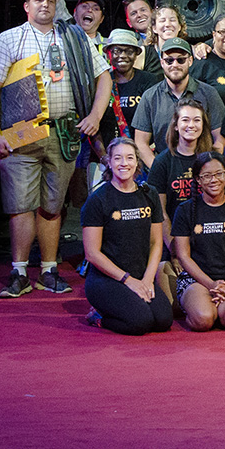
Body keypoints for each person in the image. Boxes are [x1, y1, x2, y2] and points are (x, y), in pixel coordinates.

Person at [0, 0, 112, 299]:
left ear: (56, 7)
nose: (45, 4)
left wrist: (95, 116)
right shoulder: (9, 39)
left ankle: (48, 270)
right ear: (27, 7)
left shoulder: (75, 38)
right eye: (38, 0)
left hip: (63, 131)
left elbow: (104, 77)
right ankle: (18, 271)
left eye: (50, 1)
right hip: (21, 134)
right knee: (20, 204)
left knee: (53, 205)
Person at [80, 137, 172, 334]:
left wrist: (147, 280)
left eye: (129, 158)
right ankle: (99, 317)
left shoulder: (149, 193)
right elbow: (92, 254)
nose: (124, 163)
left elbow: (156, 243)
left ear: (137, 162)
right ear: (109, 162)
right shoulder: (98, 200)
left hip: (141, 275)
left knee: (163, 320)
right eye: (118, 158)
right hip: (106, 280)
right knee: (140, 322)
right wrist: (128, 281)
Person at [171, 152, 225, 331]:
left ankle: (223, 306)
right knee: (204, 319)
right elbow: (183, 256)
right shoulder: (185, 210)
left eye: (219, 174)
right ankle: (205, 307)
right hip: (196, 279)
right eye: (207, 176)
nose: (214, 180)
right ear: (198, 180)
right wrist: (210, 284)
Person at [148, 97, 213, 300]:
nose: (191, 125)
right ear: (176, 125)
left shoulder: (211, 160)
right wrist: (176, 251)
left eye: (196, 120)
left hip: (206, 240)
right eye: (185, 120)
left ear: (203, 125)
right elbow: (160, 213)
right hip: (173, 242)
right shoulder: (162, 162)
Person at [132, 38, 225, 168]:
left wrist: (209, 167)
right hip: (164, 168)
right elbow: (141, 142)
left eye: (181, 60)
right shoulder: (150, 96)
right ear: (162, 63)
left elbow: (220, 137)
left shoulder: (209, 93)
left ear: (190, 61)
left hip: (202, 169)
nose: (175, 64)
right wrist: (158, 170)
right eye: (169, 60)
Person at [104, 28, 159, 134]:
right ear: (108, 54)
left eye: (129, 52)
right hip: (110, 148)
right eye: (117, 51)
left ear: (136, 56)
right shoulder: (102, 83)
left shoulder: (149, 81)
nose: (123, 56)